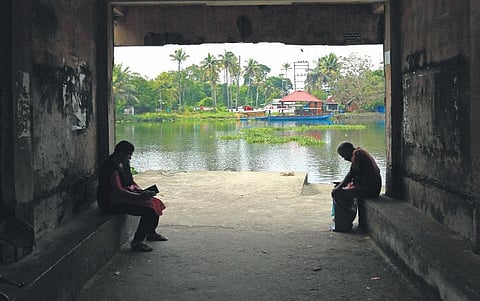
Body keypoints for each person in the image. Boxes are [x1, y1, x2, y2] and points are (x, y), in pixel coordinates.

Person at [97, 140, 167, 252]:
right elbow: (117, 191)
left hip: (122, 196)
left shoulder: (123, 163)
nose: (130, 158)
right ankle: (137, 241)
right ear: (121, 152)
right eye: (129, 154)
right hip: (111, 202)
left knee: (155, 202)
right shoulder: (111, 166)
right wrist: (139, 197)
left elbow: (130, 181)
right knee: (148, 210)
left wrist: (140, 191)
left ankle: (150, 232)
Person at [331, 141, 381, 232]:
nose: (344, 159)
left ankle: (343, 223)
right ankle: (342, 220)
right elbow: (357, 174)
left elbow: (352, 173)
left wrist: (340, 186)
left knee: (336, 193)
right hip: (369, 187)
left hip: (370, 189)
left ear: (347, 150)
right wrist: (342, 184)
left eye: (343, 155)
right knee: (338, 189)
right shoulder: (360, 153)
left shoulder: (358, 154)